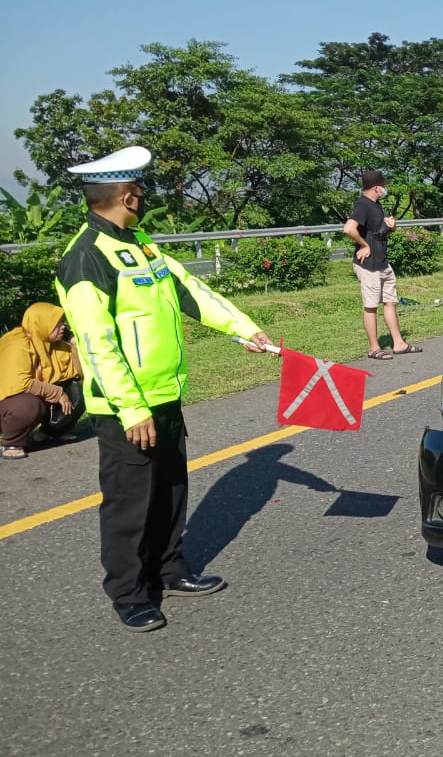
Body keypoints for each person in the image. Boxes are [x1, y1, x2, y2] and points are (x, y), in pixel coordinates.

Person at [55, 145, 276, 633]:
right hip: (125, 409)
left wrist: (244, 328)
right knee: (130, 501)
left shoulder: (142, 244)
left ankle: (170, 570)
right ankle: (130, 592)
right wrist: (132, 409)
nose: (144, 197)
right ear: (129, 195)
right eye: (141, 190)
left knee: (171, 491)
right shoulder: (87, 258)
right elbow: (96, 343)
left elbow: (191, 291)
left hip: (165, 396)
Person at [344, 169, 422, 360]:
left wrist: (391, 227)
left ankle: (399, 344)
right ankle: (374, 348)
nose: (386, 189)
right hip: (368, 265)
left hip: (382, 262)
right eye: (384, 186)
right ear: (377, 188)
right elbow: (348, 229)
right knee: (371, 306)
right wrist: (364, 245)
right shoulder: (363, 205)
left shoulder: (376, 205)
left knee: (390, 302)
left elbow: (378, 233)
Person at [0, 302, 84, 460]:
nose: (63, 327)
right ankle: (11, 443)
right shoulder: (16, 344)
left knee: (76, 392)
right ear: (41, 323)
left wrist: (74, 346)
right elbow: (21, 383)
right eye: (57, 323)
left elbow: (79, 376)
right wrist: (57, 393)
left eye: (63, 322)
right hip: (6, 402)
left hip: (27, 397)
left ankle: (49, 433)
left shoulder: (55, 345)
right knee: (28, 405)